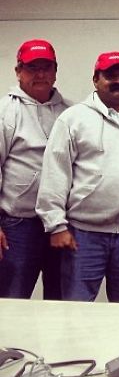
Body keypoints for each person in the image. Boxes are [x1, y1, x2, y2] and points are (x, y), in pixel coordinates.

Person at [36, 52, 119, 303]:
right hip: (83, 235)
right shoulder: (74, 119)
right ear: (95, 80)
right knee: (76, 310)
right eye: (110, 76)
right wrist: (56, 225)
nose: (118, 81)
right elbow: (55, 172)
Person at [0, 40, 70, 299]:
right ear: (18, 71)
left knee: (60, 300)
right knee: (13, 298)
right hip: (18, 225)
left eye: (46, 67)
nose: (40, 74)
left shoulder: (71, 113)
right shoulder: (5, 112)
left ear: (55, 71)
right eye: (32, 68)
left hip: (61, 223)